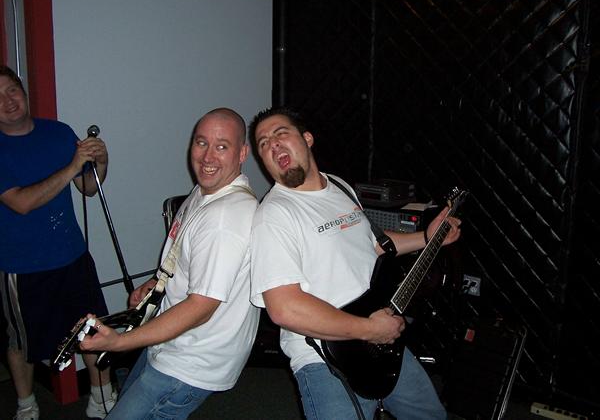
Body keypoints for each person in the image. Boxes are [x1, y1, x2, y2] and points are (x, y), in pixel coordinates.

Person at [249, 106, 462, 420]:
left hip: (381, 338)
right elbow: (284, 308)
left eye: (281, 134)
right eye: (263, 143)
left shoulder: (338, 185)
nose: (273, 145)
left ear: (307, 139)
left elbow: (373, 244)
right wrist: (368, 330)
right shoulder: (274, 216)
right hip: (327, 358)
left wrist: (428, 238)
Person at [79, 107, 260, 420]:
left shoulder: (224, 218)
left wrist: (120, 342)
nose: (207, 156)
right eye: (201, 143)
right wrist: (158, 283)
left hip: (190, 361)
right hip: (171, 344)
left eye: (222, 146)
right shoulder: (206, 193)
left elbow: (201, 307)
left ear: (242, 153)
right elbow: (190, 261)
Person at [0, 65, 115, 420]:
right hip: (22, 266)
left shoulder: (59, 132)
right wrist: (72, 166)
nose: (8, 101)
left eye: (11, 90)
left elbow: (89, 187)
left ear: (23, 90)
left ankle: (102, 397)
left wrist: (101, 159)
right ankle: (26, 405)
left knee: (93, 330)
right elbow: (21, 202)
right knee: (21, 343)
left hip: (72, 255)